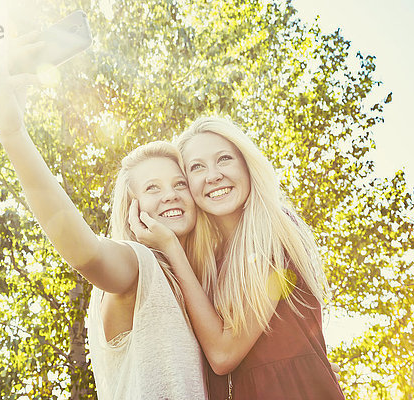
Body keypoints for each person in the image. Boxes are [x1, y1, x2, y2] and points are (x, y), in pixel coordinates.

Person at [0, 52, 208, 398]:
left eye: (179, 184)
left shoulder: (195, 286)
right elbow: (86, 252)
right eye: (152, 188)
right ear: (131, 208)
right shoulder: (137, 266)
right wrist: (13, 134)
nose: (171, 195)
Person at [129, 116, 345, 399]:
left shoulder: (275, 233)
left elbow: (223, 354)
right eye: (196, 167)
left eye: (224, 159)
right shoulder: (210, 261)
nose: (213, 175)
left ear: (247, 165)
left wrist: (171, 247)